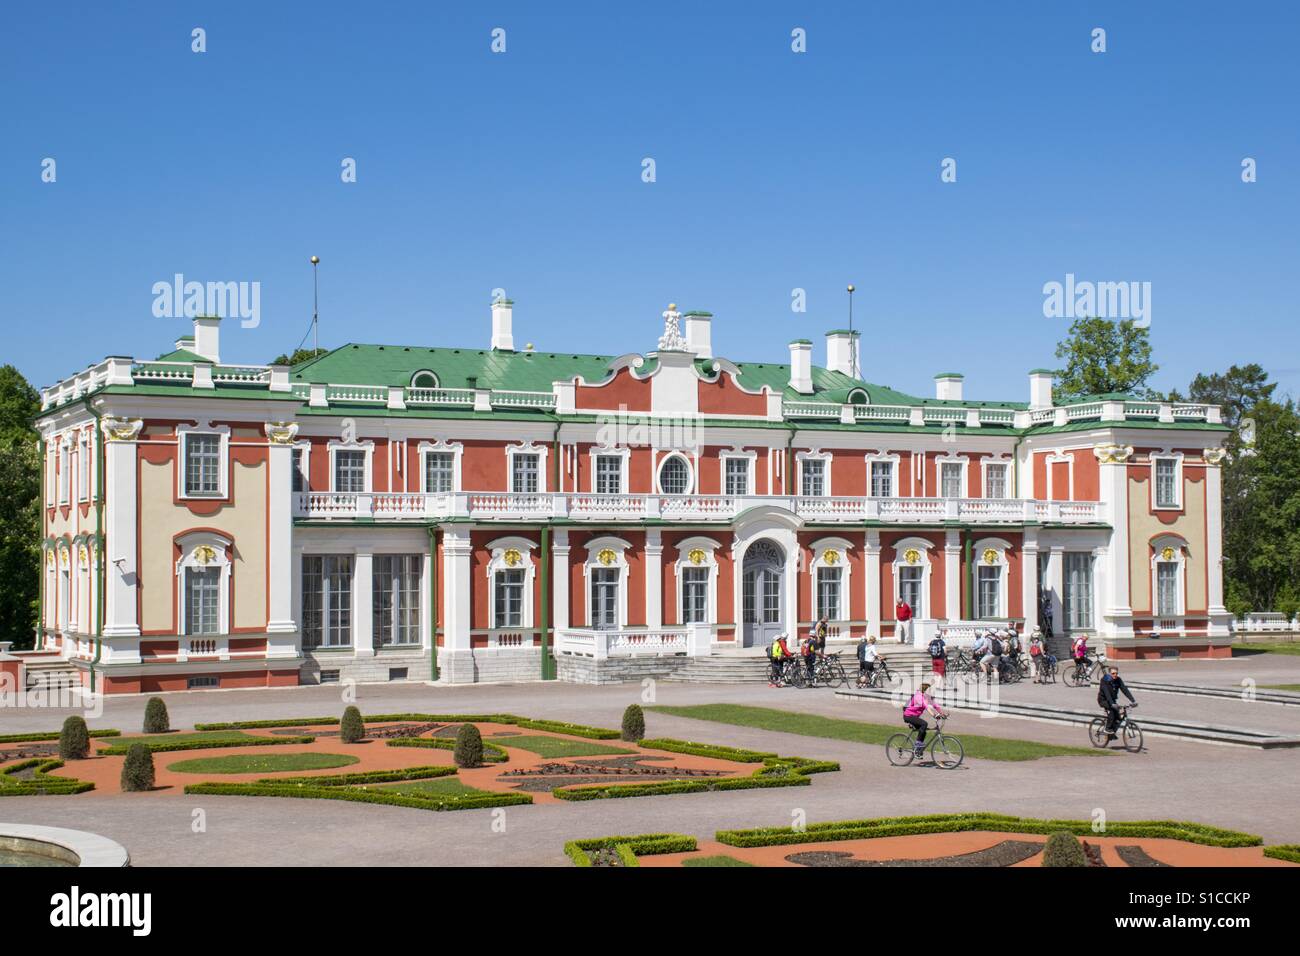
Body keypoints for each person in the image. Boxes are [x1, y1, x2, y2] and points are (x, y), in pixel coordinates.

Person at [903, 682, 948, 759]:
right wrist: (934, 715)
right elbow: (927, 707)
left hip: (914, 717)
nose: (931, 691)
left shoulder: (927, 697)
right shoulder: (918, 696)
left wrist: (942, 714)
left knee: (923, 731)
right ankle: (918, 745)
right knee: (924, 724)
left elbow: (935, 706)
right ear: (925, 690)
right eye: (930, 690)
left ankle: (918, 751)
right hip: (908, 716)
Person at [1097, 666, 1137, 742]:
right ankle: (1107, 728)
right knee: (1112, 711)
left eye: (1116, 673)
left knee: (1118, 717)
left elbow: (1125, 690)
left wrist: (1133, 701)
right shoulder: (1104, 680)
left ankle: (1111, 734)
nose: (1115, 675)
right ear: (1109, 673)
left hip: (1112, 701)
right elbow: (1107, 693)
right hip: (1103, 700)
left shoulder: (1118, 680)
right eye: (1113, 673)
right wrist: (1112, 704)